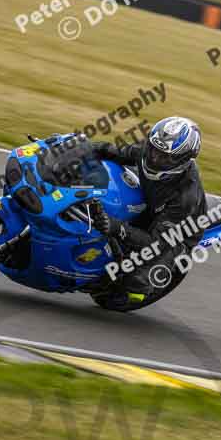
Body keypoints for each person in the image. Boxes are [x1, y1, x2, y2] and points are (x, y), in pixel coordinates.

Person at [91, 116, 206, 307]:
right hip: (151, 204)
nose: (155, 158)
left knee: (136, 282)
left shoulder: (185, 197)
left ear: (184, 161)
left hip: (177, 233)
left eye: (165, 157)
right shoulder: (147, 151)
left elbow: (156, 242)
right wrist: (82, 147)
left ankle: (138, 291)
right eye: (154, 150)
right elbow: (114, 152)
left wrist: (117, 228)